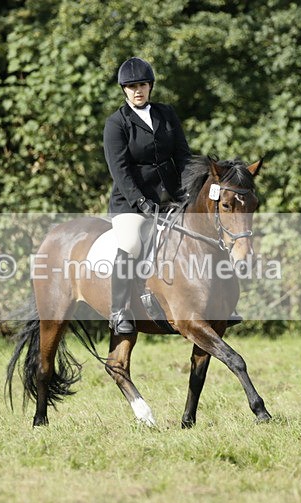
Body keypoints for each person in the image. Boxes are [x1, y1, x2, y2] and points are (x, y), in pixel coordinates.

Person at [103, 57, 191, 334]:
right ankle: (118, 311)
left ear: (150, 86)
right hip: (131, 203)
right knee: (130, 244)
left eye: (141, 84)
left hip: (172, 199)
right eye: (130, 87)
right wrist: (140, 201)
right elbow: (120, 170)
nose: (137, 90)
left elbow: (183, 155)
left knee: (205, 235)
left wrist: (190, 189)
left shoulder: (166, 114)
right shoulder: (116, 123)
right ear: (124, 90)